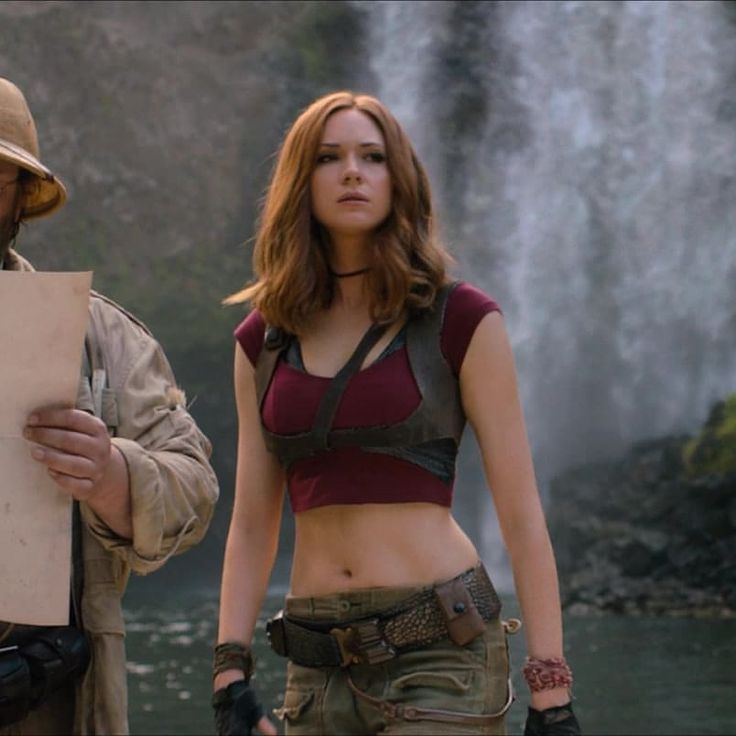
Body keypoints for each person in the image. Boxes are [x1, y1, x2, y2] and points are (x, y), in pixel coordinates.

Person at [213, 90, 581, 736]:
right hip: (316, 668)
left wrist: (551, 688)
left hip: (441, 654)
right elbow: (250, 524)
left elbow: (521, 517)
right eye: (329, 157)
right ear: (303, 180)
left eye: (372, 156)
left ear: (398, 178)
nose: (352, 171)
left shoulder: (462, 320)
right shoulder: (262, 340)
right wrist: (229, 675)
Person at [0, 77, 219, 734]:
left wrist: (113, 476)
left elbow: (195, 487)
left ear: (20, 199)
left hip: (43, 705)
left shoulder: (97, 339)